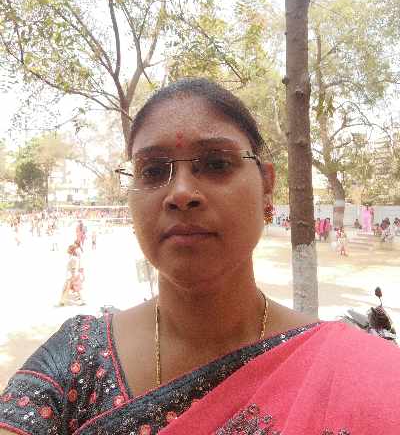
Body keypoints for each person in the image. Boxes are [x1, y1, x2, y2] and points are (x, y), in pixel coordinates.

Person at [0, 78, 399, 435]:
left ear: (267, 186)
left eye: (216, 163)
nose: (180, 193)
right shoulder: (76, 362)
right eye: (153, 170)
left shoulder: (364, 374)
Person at [59, 241, 85, 306]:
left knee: (67, 288)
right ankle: (82, 301)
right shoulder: (73, 258)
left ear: (71, 251)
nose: (68, 251)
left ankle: (62, 301)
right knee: (76, 289)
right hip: (74, 275)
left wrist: (72, 277)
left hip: (72, 276)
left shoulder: (73, 258)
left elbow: (74, 268)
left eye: (69, 250)